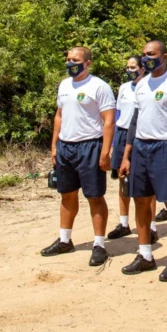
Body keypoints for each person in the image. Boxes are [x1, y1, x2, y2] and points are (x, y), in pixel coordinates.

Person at [118, 41, 167, 281]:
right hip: (141, 147)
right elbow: (134, 121)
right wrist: (126, 155)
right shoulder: (141, 84)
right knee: (141, 201)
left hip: (166, 147)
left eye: (151, 54)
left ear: (164, 56)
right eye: (144, 55)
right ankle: (145, 255)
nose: (147, 59)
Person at [41, 46, 116, 265]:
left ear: (88, 63)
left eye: (75, 60)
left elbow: (109, 121)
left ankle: (99, 244)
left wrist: (105, 151)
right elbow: (59, 115)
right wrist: (55, 145)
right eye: (68, 59)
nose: (70, 63)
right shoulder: (64, 85)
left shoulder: (99, 86)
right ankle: (65, 240)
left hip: (90, 147)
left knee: (94, 196)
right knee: (67, 194)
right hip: (66, 147)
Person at [107, 56, 151, 241]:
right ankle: (124, 223)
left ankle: (151, 227)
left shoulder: (149, 85)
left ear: (142, 69)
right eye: (127, 67)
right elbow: (118, 114)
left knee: (145, 183)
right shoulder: (124, 88)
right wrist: (112, 143)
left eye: (133, 67)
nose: (129, 70)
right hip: (123, 134)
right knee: (122, 179)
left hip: (141, 135)